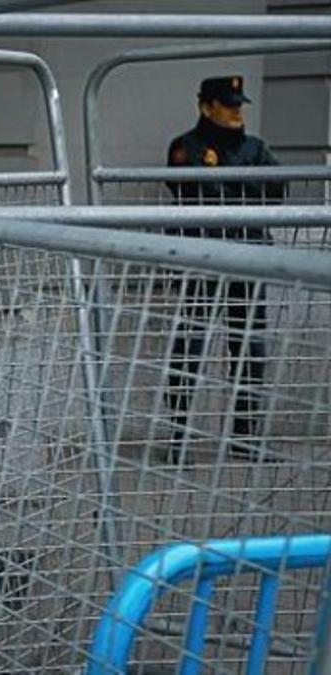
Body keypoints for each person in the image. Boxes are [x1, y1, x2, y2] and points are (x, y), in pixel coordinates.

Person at [164, 76, 285, 462]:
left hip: (248, 258)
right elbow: (195, 192)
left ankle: (245, 437)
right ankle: (179, 437)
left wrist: (232, 193)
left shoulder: (256, 147)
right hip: (204, 258)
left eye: (239, 104)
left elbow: (278, 192)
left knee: (249, 348)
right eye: (228, 104)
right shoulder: (186, 147)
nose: (237, 110)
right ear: (206, 107)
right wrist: (246, 192)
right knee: (191, 346)